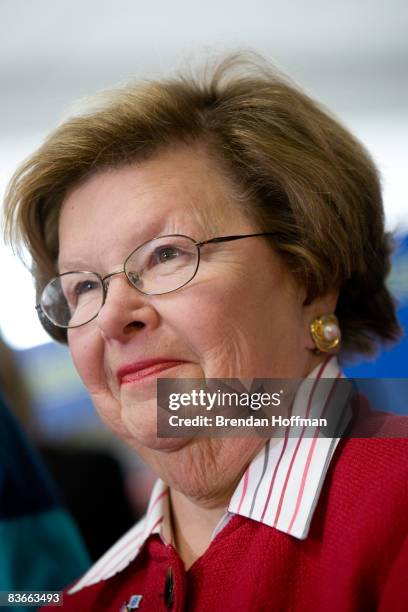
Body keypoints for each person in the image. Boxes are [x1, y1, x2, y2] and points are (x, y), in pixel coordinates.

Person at [3, 53, 408, 611]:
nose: (114, 315)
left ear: (310, 275)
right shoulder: (81, 600)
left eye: (167, 254)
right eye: (84, 287)